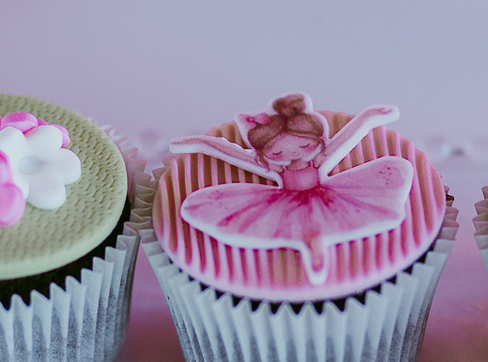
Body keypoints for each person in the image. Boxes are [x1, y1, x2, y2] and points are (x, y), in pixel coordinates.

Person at [168, 93, 414, 284]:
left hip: (326, 197)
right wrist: (201, 143)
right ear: (266, 155)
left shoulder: (319, 159)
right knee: (302, 232)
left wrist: (368, 116)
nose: (294, 153)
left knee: (319, 230)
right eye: (277, 152)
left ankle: (317, 258)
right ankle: (314, 256)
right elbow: (232, 153)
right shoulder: (274, 169)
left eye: (304, 145)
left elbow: (347, 138)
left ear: (316, 141)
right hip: (284, 203)